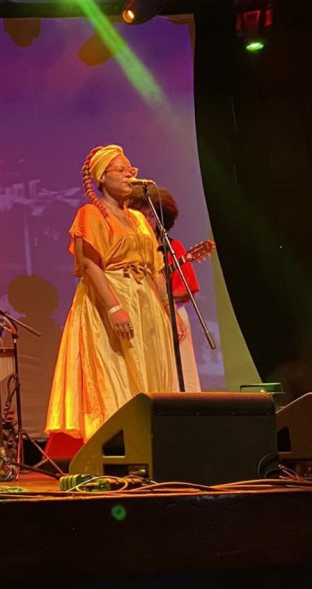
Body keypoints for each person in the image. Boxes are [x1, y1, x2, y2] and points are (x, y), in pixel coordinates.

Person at [45, 145, 177, 456]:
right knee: (114, 370)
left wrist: (167, 310)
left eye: (131, 168)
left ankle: (152, 443)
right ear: (102, 177)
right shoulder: (91, 213)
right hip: (111, 299)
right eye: (122, 169)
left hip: (145, 302)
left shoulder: (139, 219)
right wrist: (115, 307)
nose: (131, 174)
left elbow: (155, 267)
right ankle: (118, 446)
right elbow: (90, 264)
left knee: (151, 371)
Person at [133, 184, 212, 393]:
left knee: (183, 375)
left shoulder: (173, 247)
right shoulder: (129, 250)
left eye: (152, 216)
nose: (147, 221)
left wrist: (162, 296)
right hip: (141, 316)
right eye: (142, 216)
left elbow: (188, 289)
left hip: (172, 316)